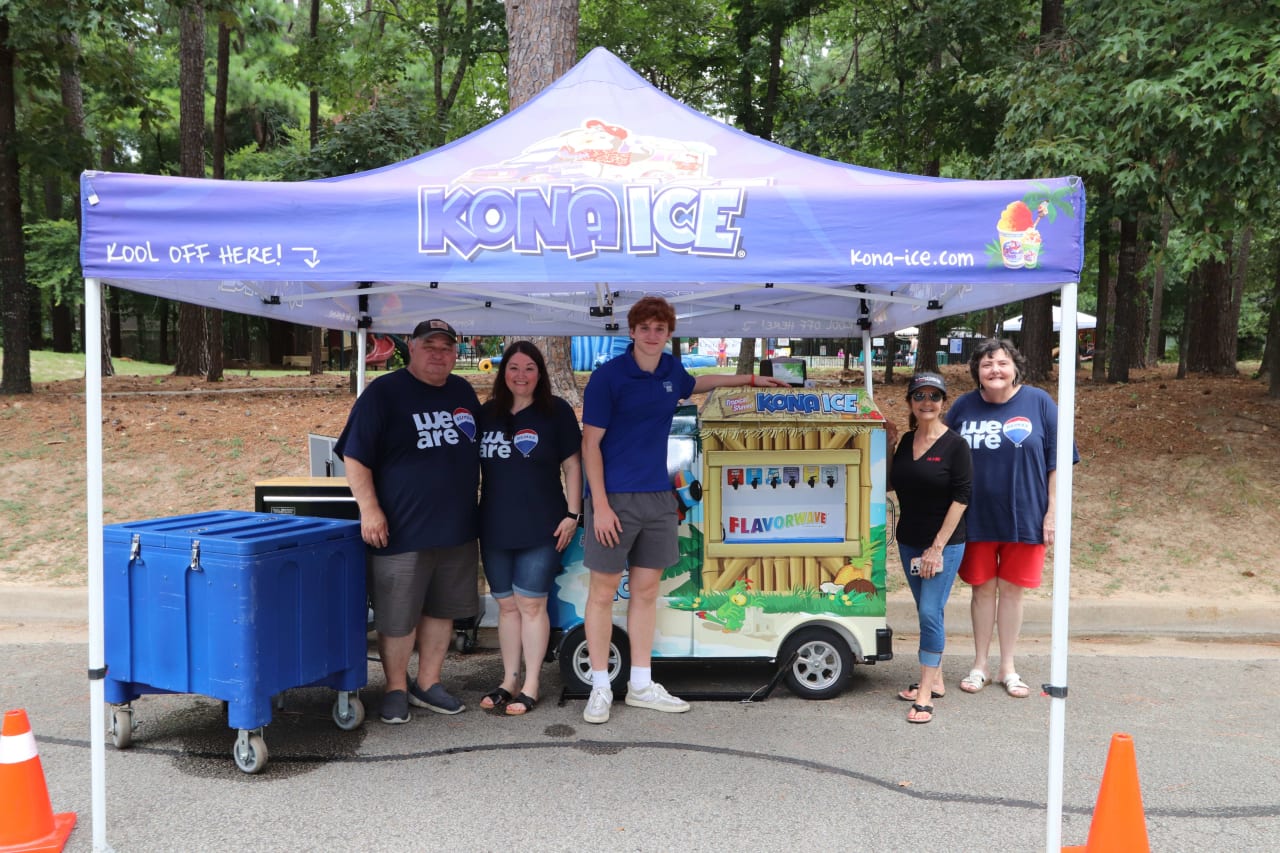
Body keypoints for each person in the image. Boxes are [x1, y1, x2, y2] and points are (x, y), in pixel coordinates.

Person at [579, 296, 789, 724]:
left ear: (669, 334)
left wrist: (750, 379)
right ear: (632, 331)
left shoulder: (671, 371)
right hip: (613, 499)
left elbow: (698, 383)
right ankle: (600, 685)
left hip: (658, 497)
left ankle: (640, 683)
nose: (652, 335)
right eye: (645, 328)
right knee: (602, 594)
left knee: (646, 593)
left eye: (660, 329)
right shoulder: (608, 377)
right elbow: (589, 444)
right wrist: (599, 505)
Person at [335, 318, 480, 724]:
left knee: (442, 610)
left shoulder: (463, 391)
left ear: (456, 353)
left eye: (446, 347)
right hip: (400, 529)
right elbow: (354, 456)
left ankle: (429, 683)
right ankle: (396, 686)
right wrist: (370, 509)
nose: (439, 354)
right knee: (397, 616)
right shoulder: (384, 394)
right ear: (411, 349)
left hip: (456, 528)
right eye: (429, 345)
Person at [945, 338, 1077, 699]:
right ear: (977, 372)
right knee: (982, 590)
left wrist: (1052, 512)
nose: (995, 370)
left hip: (1027, 516)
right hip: (975, 518)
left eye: (1002, 363)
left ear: (1015, 367)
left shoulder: (1040, 403)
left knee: (1013, 592)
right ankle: (980, 665)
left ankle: (1008, 667)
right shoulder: (962, 407)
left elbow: (1058, 463)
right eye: (986, 365)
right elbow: (944, 455)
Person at [476, 341, 582, 716]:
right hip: (493, 524)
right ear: (503, 373)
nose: (521, 376)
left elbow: (572, 465)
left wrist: (573, 515)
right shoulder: (486, 414)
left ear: (541, 373)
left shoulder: (557, 413)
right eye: (514, 368)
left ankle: (532, 683)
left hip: (543, 524)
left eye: (529, 368)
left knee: (532, 604)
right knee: (506, 606)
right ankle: (509, 679)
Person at [886, 373, 971, 724]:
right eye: (919, 396)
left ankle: (924, 695)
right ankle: (935, 679)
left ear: (943, 403)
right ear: (910, 402)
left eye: (934, 397)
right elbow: (890, 484)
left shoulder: (955, 445)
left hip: (944, 544)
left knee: (929, 612)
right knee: (927, 608)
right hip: (909, 541)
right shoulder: (906, 442)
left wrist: (936, 547)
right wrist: (886, 446)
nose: (927, 402)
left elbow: (962, 497)